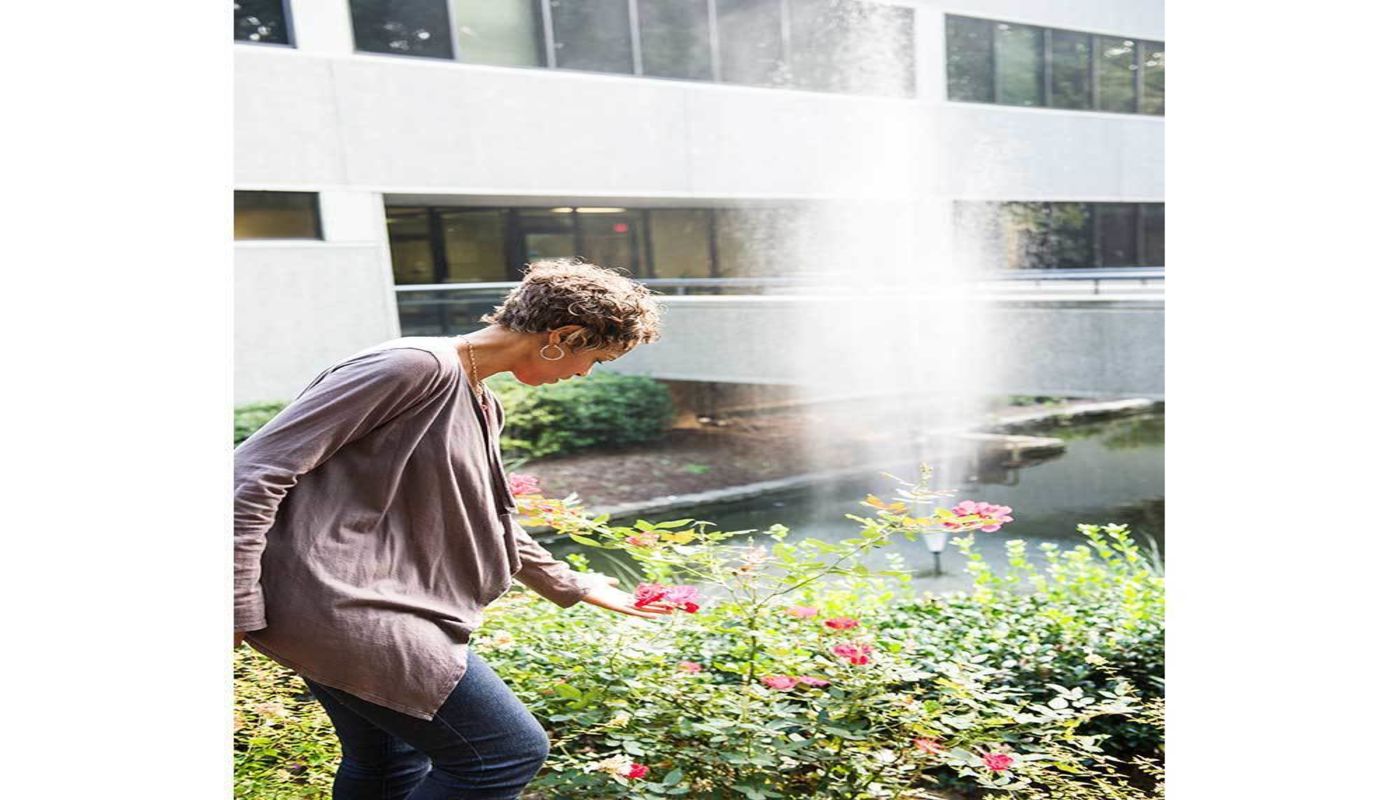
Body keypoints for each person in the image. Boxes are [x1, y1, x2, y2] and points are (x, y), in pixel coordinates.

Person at [234, 258, 669, 799]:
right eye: (595, 358)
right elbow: (252, 473)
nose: (584, 374)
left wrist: (572, 584)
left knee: (389, 757)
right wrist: (236, 603)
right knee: (503, 753)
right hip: (339, 603)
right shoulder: (412, 368)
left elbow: (486, 513)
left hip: (353, 596)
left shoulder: (480, 400)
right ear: (563, 337)